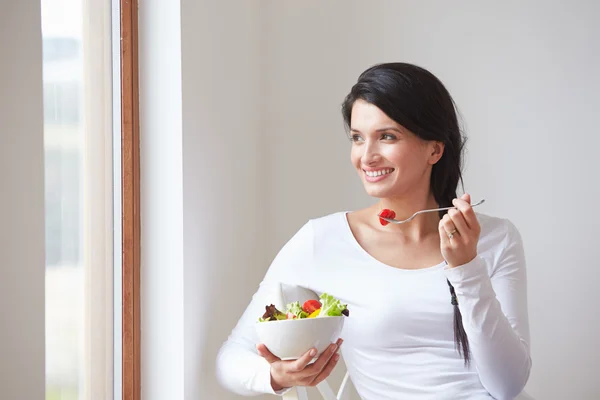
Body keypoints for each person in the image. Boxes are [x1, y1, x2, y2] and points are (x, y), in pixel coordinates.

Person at [216, 62, 532, 399]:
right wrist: (276, 376)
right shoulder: (323, 241)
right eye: (357, 138)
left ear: (435, 149)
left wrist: (467, 269)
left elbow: (508, 386)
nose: (366, 157)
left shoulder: (497, 239)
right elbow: (231, 360)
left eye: (387, 136)